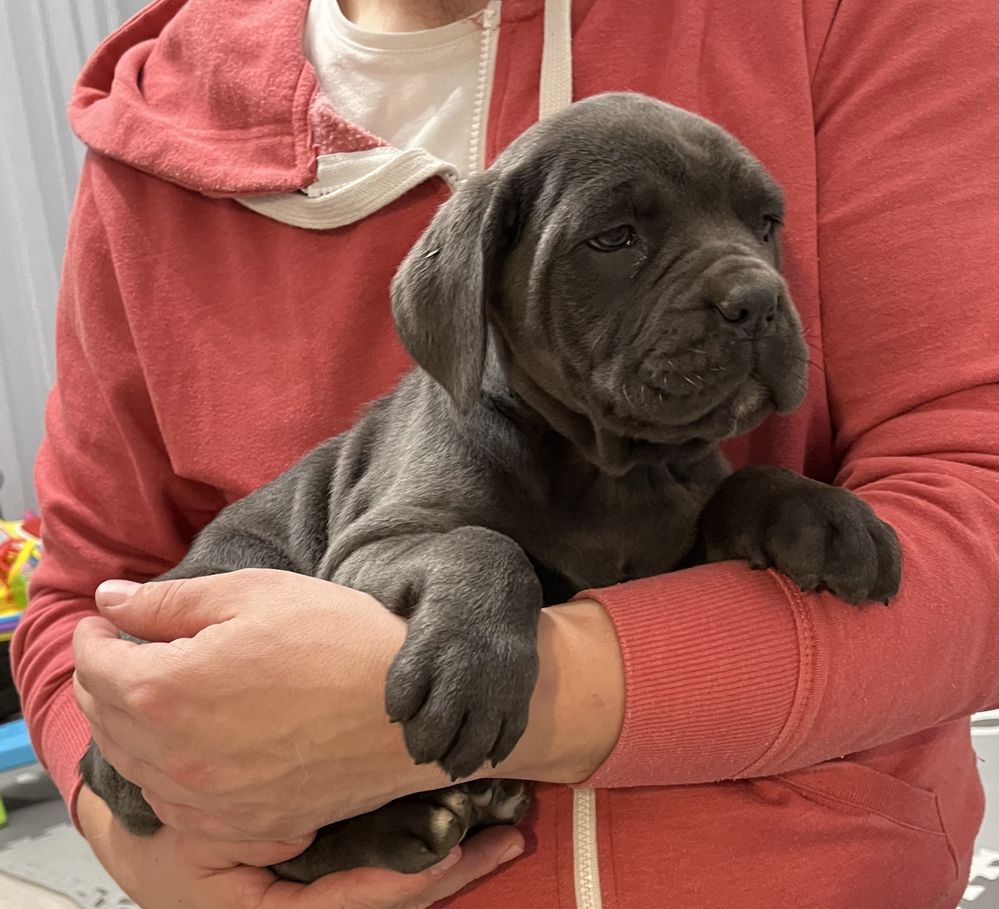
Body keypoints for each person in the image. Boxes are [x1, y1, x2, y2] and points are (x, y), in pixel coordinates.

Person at [11, 0, 998, 906]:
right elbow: (97, 599)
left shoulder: (853, 21)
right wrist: (144, 850)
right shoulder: (455, 443)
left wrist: (760, 511)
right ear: (472, 302)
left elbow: (969, 518)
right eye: (618, 239)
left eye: (759, 224)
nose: (748, 285)